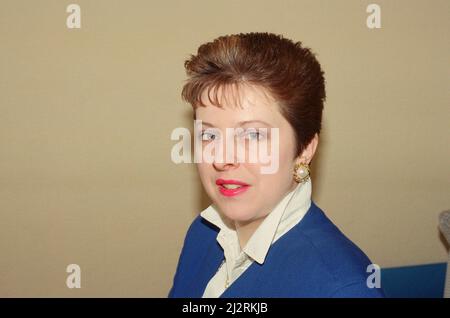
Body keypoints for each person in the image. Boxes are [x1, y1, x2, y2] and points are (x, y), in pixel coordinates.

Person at [168, 32, 385, 298]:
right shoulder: (203, 233)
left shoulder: (344, 289)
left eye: (253, 135)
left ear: (304, 149)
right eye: (210, 135)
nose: (222, 158)